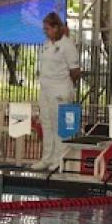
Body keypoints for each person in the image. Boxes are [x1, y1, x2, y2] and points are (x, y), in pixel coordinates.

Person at [35, 12, 81, 171]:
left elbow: (75, 71)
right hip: (45, 90)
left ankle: (59, 159)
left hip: (59, 91)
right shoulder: (47, 43)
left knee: (59, 126)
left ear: (56, 27)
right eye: (44, 29)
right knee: (46, 124)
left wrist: (64, 87)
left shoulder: (67, 45)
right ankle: (47, 158)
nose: (45, 31)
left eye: (47, 28)